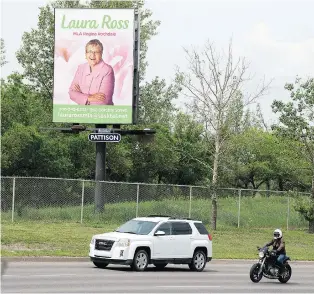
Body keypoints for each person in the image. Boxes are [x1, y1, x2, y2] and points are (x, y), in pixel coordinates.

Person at [68, 39, 115, 105]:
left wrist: (80, 95)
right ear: (86, 54)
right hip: (83, 113)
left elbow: (103, 102)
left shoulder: (107, 70)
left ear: (101, 54)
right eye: (90, 51)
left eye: (96, 52)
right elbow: (71, 93)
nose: (92, 55)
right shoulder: (80, 68)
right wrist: (89, 98)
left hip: (103, 114)